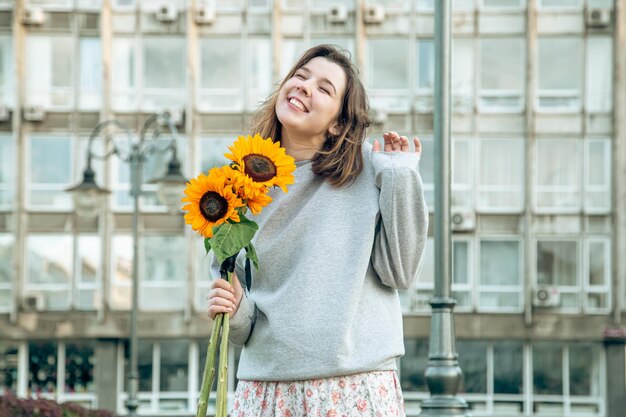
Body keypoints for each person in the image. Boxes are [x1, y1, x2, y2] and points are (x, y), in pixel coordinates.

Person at [207, 44, 428, 417]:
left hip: (353, 387)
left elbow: (401, 272)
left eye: (325, 89)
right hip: (264, 391)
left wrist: (401, 176)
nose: (305, 87)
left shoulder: (373, 169)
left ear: (339, 122)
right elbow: (241, 325)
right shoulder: (236, 188)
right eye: (301, 76)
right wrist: (231, 307)